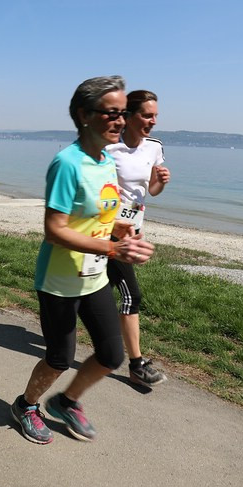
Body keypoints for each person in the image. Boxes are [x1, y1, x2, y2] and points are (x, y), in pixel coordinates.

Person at [11, 76, 155, 445]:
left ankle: (67, 401)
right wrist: (111, 250)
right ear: (84, 115)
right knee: (60, 358)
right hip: (59, 281)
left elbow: (101, 216)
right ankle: (26, 405)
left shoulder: (106, 160)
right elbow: (54, 229)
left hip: (94, 278)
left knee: (111, 354)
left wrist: (124, 231)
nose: (120, 121)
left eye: (123, 113)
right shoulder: (67, 163)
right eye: (111, 113)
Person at [105, 90, 171, 387]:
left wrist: (160, 183)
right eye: (146, 115)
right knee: (131, 294)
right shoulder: (109, 147)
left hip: (132, 230)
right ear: (128, 116)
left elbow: (150, 191)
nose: (153, 121)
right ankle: (136, 363)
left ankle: (69, 333)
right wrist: (114, 223)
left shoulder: (154, 147)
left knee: (91, 289)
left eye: (155, 115)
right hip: (104, 230)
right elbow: (93, 190)